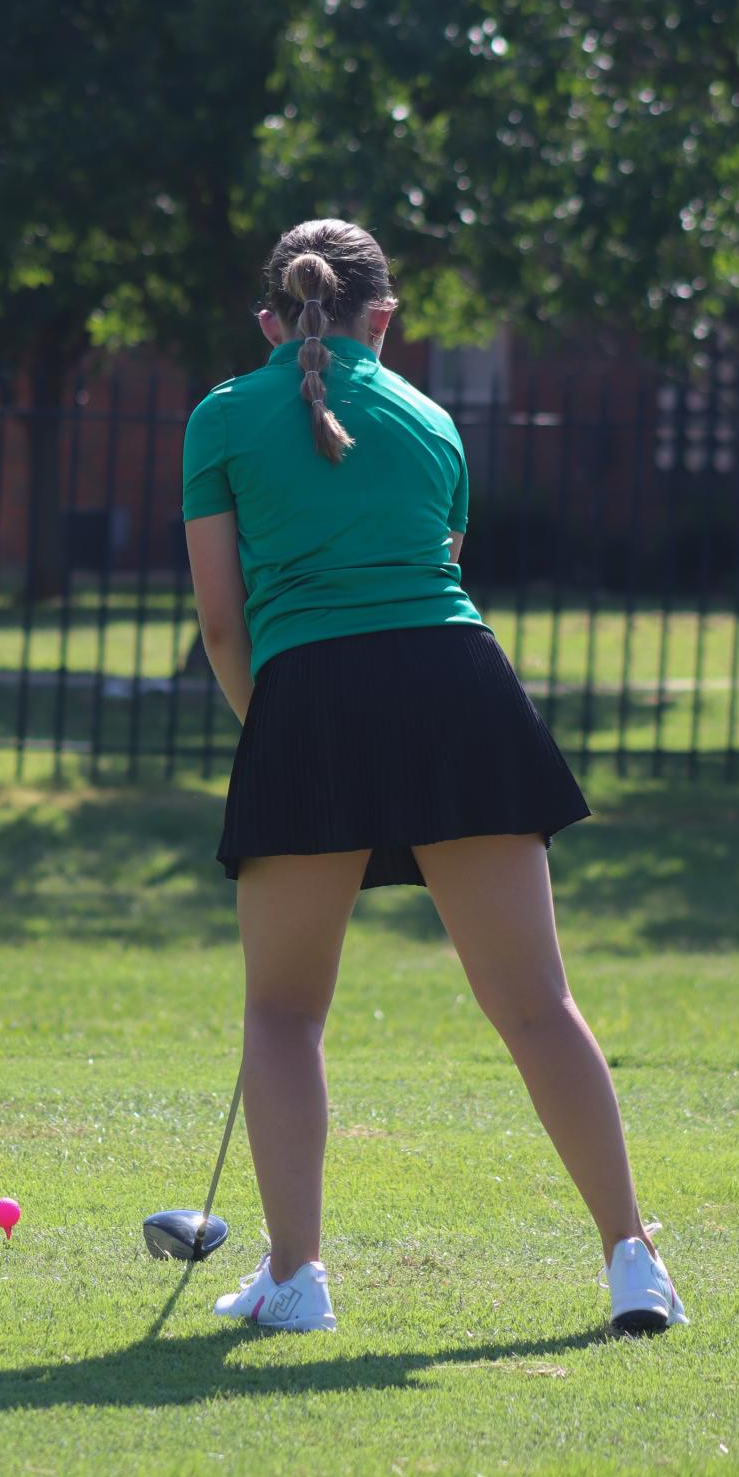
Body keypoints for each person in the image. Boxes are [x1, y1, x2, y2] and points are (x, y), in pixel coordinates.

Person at [181, 218, 688, 1339]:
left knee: (281, 1010)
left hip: (308, 692)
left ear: (273, 320)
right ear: (385, 320)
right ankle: (634, 1261)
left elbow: (223, 621)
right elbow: (434, 578)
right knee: (535, 1006)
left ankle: (296, 1280)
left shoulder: (220, 413)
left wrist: (271, 730)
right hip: (460, 688)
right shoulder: (433, 418)